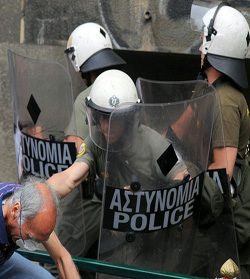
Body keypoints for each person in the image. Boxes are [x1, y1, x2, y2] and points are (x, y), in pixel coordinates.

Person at [191, 1, 250, 277]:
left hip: (223, 228)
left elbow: (221, 181)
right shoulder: (207, 91)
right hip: (210, 216)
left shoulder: (224, 100)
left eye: (204, 41)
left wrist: (180, 178)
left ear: (215, 45)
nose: (200, 48)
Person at [0, 177, 80, 279]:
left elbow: (62, 257)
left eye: (38, 241)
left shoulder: (30, 203)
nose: (32, 246)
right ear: (15, 211)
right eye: (30, 237)